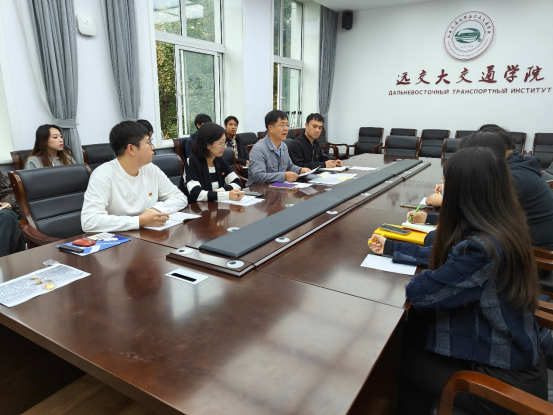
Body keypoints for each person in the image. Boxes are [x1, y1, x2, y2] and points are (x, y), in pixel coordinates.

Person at [369, 147, 547, 415]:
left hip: (503, 381)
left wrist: (441, 249)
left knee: (392, 358)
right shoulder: (506, 226)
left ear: (464, 194)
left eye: (447, 185)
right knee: (414, 332)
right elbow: (453, 264)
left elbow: (419, 292)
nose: (442, 191)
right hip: (516, 355)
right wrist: (398, 248)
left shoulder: (481, 250)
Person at [413, 128, 553, 251]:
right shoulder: (517, 168)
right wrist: (430, 218)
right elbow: (478, 217)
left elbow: (473, 224)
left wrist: (446, 201)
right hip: (515, 244)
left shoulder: (513, 179)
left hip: (534, 255)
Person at [81, 121, 187, 232]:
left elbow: (180, 198)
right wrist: (140, 221)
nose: (153, 147)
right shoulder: (103, 175)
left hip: (149, 234)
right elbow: (89, 221)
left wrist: (156, 209)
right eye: (148, 142)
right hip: (120, 238)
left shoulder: (150, 169)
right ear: (131, 149)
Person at [246, 110, 310, 187]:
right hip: (259, 190)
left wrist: (300, 170)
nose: (286, 129)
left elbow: (290, 166)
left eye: (287, 125)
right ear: (270, 128)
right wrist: (284, 176)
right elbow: (258, 176)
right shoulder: (259, 149)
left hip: (277, 188)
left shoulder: (283, 146)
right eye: (282, 125)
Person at [183, 122, 244, 203]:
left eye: (224, 142)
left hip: (215, 205)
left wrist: (219, 191)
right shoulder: (192, 162)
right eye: (220, 143)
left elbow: (237, 183)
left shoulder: (220, 160)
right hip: (195, 207)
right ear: (207, 145)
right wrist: (226, 195)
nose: (224, 147)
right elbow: (196, 193)